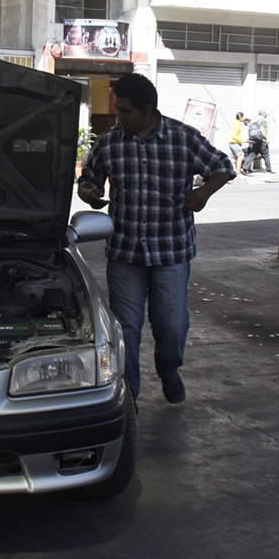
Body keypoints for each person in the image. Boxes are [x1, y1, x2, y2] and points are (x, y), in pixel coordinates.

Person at [77, 73, 235, 404]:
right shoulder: (109, 142)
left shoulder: (184, 139)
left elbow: (223, 166)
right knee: (126, 329)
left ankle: (169, 370)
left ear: (148, 110)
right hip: (125, 252)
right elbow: (88, 181)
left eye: (126, 111)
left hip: (172, 252)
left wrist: (204, 193)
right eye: (117, 109)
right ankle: (130, 395)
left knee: (172, 325)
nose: (119, 116)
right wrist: (90, 194)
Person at [242, 109, 273, 174]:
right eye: (265, 112)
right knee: (266, 155)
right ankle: (268, 169)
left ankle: (245, 167)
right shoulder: (263, 120)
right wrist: (267, 138)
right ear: (263, 113)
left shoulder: (255, 119)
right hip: (262, 140)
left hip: (255, 140)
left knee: (252, 154)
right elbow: (262, 129)